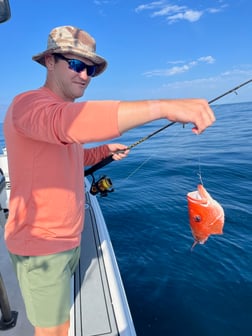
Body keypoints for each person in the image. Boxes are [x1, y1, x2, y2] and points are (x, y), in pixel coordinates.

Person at [3, 25, 215, 336]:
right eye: (76, 64)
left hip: (66, 237)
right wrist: (164, 107)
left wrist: (102, 151)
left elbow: (72, 155)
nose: (85, 75)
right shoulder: (28, 104)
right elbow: (67, 124)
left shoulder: (63, 116)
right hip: (42, 246)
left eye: (90, 68)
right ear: (50, 61)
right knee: (54, 330)